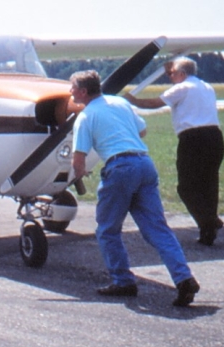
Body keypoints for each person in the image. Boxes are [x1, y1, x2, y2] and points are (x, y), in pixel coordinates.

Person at [69, 70, 200, 307]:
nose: (70, 91)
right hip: (144, 164)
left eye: (73, 88)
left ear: (83, 92)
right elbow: (142, 130)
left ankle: (123, 281)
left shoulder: (85, 116)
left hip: (119, 169)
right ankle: (183, 278)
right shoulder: (119, 102)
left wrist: (75, 176)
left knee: (108, 230)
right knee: (158, 229)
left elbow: (79, 160)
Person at [125, 57, 224, 245]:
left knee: (186, 187)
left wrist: (133, 100)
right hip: (215, 137)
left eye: (173, 73)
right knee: (209, 184)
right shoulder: (206, 87)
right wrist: (169, 70)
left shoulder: (182, 88)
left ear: (182, 74)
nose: (171, 76)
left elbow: (156, 103)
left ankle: (209, 221)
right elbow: (176, 84)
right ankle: (208, 229)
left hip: (193, 139)